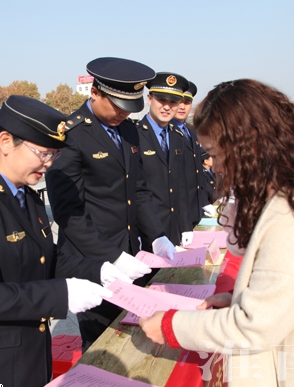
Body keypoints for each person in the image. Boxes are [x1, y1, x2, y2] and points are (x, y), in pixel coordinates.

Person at [139, 79, 294, 387]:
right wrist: (238, 299)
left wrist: (171, 326)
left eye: (215, 154)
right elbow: (288, 294)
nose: (214, 166)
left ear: (247, 148)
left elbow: (254, 327)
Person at [0, 95, 119, 387]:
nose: (48, 164)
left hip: (30, 361)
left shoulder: (28, 198)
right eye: (42, 153)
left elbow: (47, 259)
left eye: (53, 155)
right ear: (6, 142)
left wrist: (99, 270)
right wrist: (61, 294)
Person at [45, 58, 176, 351]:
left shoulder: (128, 130)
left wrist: (157, 235)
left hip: (130, 254)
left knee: (137, 338)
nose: (123, 113)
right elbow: (69, 214)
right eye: (117, 105)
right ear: (95, 93)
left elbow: (138, 191)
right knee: (102, 345)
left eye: (129, 107)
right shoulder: (71, 135)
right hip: (94, 261)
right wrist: (112, 256)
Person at [135, 72, 192, 247]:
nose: (167, 107)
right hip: (146, 231)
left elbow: (181, 184)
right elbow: (135, 190)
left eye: (173, 102)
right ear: (149, 98)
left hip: (174, 228)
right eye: (161, 100)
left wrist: (186, 225)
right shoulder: (134, 135)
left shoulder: (177, 136)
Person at [172, 81, 206, 228]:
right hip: (177, 212)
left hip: (195, 208)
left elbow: (198, 170)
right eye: (178, 102)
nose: (182, 107)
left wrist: (204, 202)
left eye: (186, 102)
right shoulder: (166, 131)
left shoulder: (192, 130)